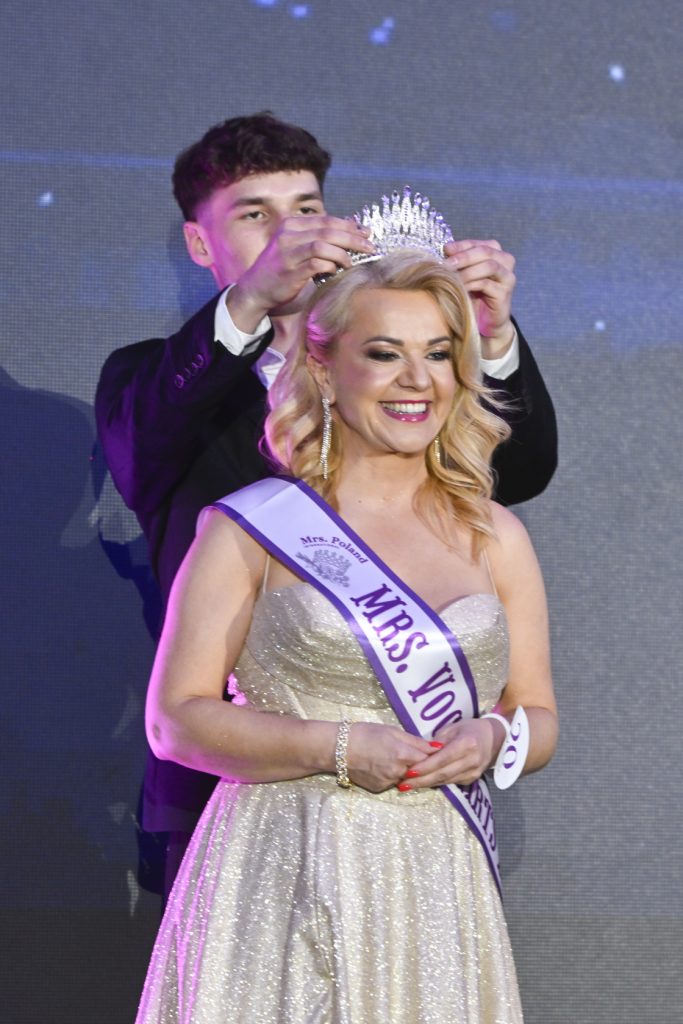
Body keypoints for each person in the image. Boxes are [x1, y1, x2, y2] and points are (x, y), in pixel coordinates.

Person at [95, 113, 558, 899]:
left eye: (306, 209)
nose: (292, 237)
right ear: (200, 245)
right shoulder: (164, 382)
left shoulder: (409, 388)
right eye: (256, 215)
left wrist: (488, 334)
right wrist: (252, 300)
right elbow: (141, 451)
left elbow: (520, 466)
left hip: (423, 806)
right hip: (235, 797)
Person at [135, 246, 558, 1023]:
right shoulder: (253, 528)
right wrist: (336, 747)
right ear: (325, 373)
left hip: (435, 875)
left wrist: (494, 735)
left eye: (438, 354)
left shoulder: (495, 535)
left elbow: (537, 714)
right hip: (281, 863)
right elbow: (175, 721)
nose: (417, 379)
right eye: (384, 354)